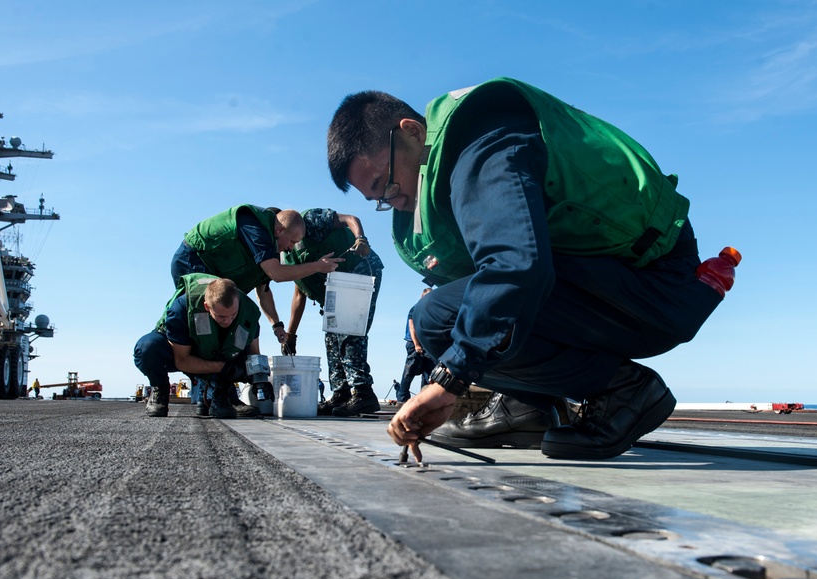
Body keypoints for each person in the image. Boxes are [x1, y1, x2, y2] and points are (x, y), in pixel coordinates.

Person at [327, 77, 730, 462]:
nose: (393, 202)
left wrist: (449, 381)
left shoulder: (482, 145)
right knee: (437, 311)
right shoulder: (450, 166)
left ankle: (623, 391)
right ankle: (528, 408)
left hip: (656, 287)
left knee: (437, 320)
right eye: (378, 199)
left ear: (412, 131)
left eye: (387, 184)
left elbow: (514, 266)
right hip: (613, 284)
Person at [170, 205, 343, 345]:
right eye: (292, 241)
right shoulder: (255, 227)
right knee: (203, 321)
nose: (291, 248)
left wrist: (277, 325)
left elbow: (263, 291)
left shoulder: (268, 255)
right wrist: (317, 266)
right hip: (194, 260)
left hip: (216, 276)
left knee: (239, 318)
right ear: (279, 230)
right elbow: (277, 274)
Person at [282, 208, 384, 417]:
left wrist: (361, 239)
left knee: (349, 329)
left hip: (359, 267)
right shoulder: (288, 254)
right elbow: (299, 295)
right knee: (331, 335)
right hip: (335, 286)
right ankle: (342, 392)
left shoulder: (312, 219)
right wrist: (291, 335)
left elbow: (350, 218)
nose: (289, 245)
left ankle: (363, 392)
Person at [133, 274, 263, 419]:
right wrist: (223, 367)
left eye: (233, 315)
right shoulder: (181, 309)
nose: (228, 321)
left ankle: (222, 395)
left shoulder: (248, 312)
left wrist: (259, 379)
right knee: (148, 348)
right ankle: (160, 389)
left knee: (244, 359)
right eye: (221, 317)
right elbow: (182, 361)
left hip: (221, 350)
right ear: (207, 306)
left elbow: (254, 353)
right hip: (182, 350)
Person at [396, 288, 436, 404]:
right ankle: (402, 398)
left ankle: (423, 398)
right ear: (422, 297)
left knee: (428, 372)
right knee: (410, 371)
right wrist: (417, 345)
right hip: (414, 344)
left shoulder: (430, 310)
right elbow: (412, 328)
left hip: (426, 345)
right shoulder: (415, 309)